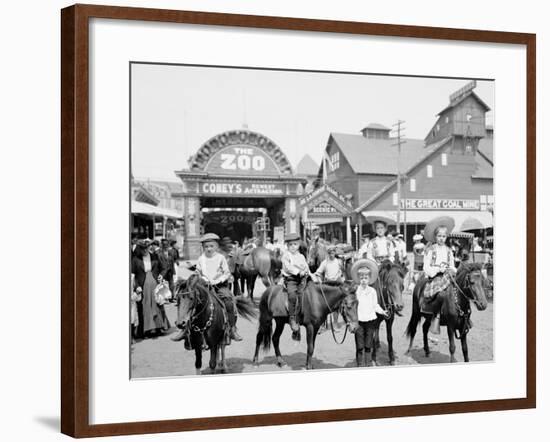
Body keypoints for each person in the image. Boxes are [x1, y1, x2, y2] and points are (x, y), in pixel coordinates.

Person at [195, 233, 242, 341]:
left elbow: (226, 272)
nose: (209, 249)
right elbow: (198, 271)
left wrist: (219, 280)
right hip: (204, 286)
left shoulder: (220, 258)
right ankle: (188, 331)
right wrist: (200, 277)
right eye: (206, 247)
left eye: (211, 246)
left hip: (219, 286)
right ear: (203, 248)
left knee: (229, 301)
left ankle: (232, 329)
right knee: (192, 301)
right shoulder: (201, 259)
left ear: (216, 246)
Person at [350, 259, 389, 367]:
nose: (363, 280)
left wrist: (382, 311)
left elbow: (375, 305)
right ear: (358, 279)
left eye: (366, 278)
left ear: (369, 279)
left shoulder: (372, 291)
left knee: (368, 344)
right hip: (359, 321)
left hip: (370, 321)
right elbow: (352, 306)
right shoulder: (356, 291)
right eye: (361, 278)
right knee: (359, 345)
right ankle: (359, 364)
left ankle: (367, 364)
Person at [131, 239, 171, 338]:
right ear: (140, 249)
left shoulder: (155, 256)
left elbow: (165, 267)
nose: (145, 250)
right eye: (143, 249)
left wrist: (161, 275)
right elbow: (133, 275)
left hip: (155, 285)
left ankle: (159, 328)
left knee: (157, 305)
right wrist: (137, 286)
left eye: (146, 248)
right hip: (143, 286)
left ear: (149, 248)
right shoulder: (136, 259)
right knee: (145, 307)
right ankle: (146, 331)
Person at [282, 232, 310, 332]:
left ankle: (307, 314)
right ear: (287, 246)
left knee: (307, 294)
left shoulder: (301, 256)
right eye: (290, 245)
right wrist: (298, 272)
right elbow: (288, 267)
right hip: (291, 279)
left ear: (298, 245)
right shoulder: (286, 256)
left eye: (295, 244)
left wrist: (308, 272)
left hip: (302, 279)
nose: (293, 247)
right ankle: (292, 317)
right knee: (292, 296)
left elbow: (306, 266)